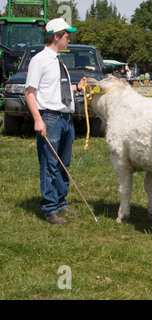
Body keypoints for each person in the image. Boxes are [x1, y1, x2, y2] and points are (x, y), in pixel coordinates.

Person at [25, 18, 87, 225]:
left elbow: (55, 89)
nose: (69, 38)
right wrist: (37, 119)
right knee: (49, 164)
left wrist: (77, 88)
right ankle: (50, 209)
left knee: (63, 164)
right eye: (66, 36)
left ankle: (61, 202)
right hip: (50, 118)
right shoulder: (40, 60)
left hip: (66, 119)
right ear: (56, 37)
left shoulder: (58, 60)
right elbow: (30, 92)